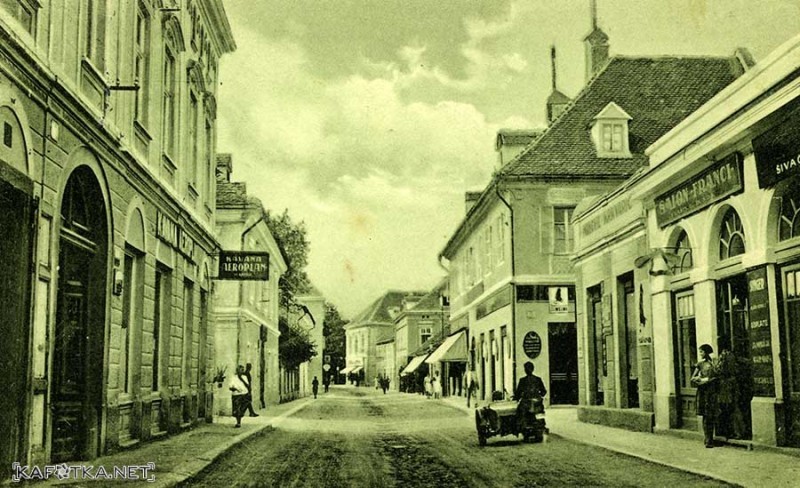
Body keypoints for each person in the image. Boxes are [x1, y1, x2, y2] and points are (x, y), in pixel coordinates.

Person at [691, 343, 718, 448]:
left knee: (711, 415)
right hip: (703, 392)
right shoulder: (700, 364)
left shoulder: (713, 364)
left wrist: (708, 380)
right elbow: (692, 378)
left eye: (701, 351)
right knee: (706, 415)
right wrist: (699, 380)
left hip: (711, 392)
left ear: (706, 352)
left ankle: (710, 438)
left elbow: (716, 377)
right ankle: (707, 439)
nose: (700, 354)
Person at [514, 361, 547, 430]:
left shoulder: (522, 380)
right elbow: (544, 391)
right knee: (540, 411)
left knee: (519, 412)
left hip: (526, 402)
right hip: (536, 402)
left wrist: (516, 398)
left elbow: (518, 392)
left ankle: (521, 425)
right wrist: (539, 395)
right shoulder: (538, 379)